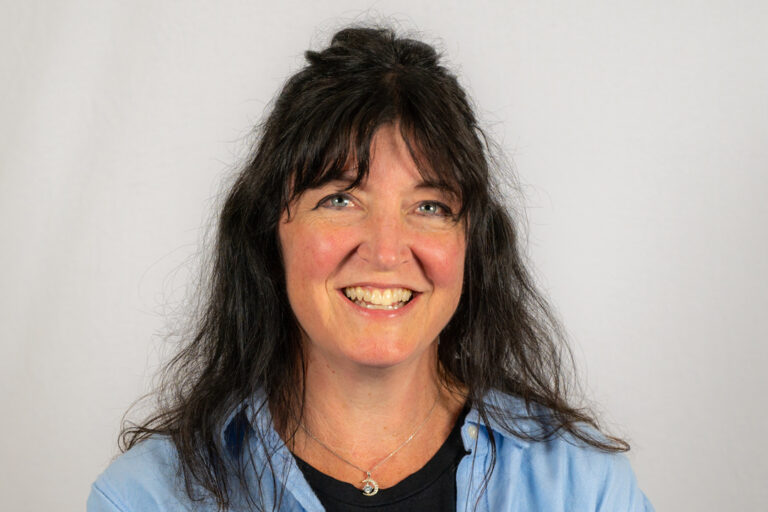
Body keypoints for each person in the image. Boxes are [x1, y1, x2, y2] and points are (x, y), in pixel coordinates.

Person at [88, 26, 653, 511]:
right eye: (340, 199)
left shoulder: (584, 488)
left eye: (430, 207)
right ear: (268, 231)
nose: (386, 252)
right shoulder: (148, 497)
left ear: (473, 244)